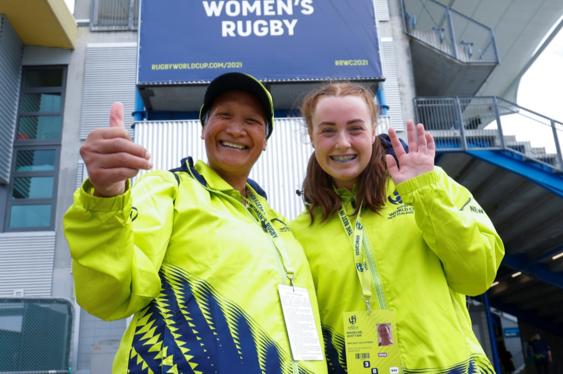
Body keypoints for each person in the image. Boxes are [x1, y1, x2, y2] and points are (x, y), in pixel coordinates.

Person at [64, 72, 327, 373]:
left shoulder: (279, 225)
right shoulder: (169, 190)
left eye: (252, 121)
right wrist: (107, 196)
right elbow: (111, 293)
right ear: (203, 128)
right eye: (224, 114)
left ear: (265, 140)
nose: (236, 129)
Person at [290, 83, 505, 373]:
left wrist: (424, 194)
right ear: (311, 136)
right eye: (328, 130)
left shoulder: (429, 184)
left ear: (373, 127)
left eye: (355, 128)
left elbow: (477, 277)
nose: (342, 143)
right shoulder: (300, 232)